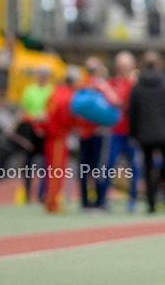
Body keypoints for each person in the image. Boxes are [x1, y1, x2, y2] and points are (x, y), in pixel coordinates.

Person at [128, 51, 165, 213]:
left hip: (145, 134)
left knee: (148, 168)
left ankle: (151, 204)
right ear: (158, 64)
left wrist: (134, 134)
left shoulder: (137, 85)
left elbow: (132, 112)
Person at [75, 56, 121, 211]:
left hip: (83, 133)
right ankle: (100, 201)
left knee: (84, 167)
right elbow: (116, 102)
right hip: (98, 133)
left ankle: (85, 201)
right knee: (101, 167)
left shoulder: (82, 85)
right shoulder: (101, 85)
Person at [105, 51, 140, 212]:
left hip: (132, 132)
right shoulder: (111, 83)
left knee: (134, 166)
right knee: (109, 165)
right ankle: (103, 198)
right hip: (115, 132)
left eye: (127, 65)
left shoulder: (135, 84)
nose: (124, 68)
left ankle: (133, 199)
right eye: (121, 65)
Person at [44, 68, 79, 213]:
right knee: (57, 171)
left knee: (53, 171)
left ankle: (52, 200)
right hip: (58, 137)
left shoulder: (56, 92)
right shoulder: (67, 96)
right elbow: (66, 118)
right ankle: (52, 203)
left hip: (53, 137)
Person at [17, 68, 53, 201]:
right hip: (31, 130)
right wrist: (32, 118)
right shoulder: (29, 90)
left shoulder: (52, 90)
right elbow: (23, 111)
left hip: (45, 130)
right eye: (41, 74)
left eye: (45, 75)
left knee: (46, 162)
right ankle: (27, 191)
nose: (42, 77)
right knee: (28, 162)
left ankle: (42, 193)